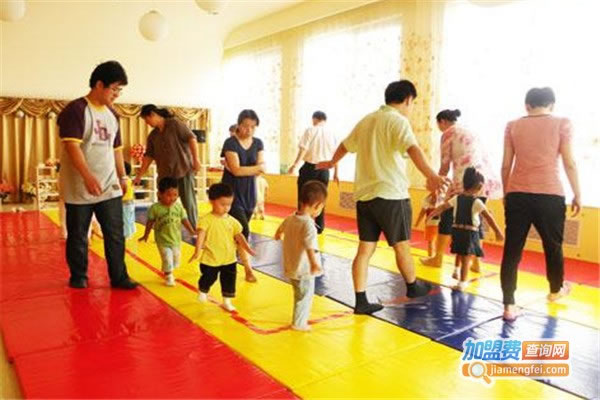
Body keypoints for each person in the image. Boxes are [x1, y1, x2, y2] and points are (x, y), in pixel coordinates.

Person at [317, 80, 449, 314]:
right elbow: (413, 148)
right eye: (412, 103)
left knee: (365, 250)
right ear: (407, 99)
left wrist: (332, 162)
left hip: (365, 197)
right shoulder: (398, 121)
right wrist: (431, 175)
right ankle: (412, 286)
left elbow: (345, 145)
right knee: (401, 246)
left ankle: (361, 300)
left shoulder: (367, 120)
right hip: (391, 195)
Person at [500, 87, 581, 321]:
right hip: (550, 195)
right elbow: (569, 163)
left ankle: (508, 305)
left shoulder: (512, 125)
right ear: (552, 104)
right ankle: (555, 290)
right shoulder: (562, 123)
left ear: (527, 105)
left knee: (512, 249)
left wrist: (507, 193)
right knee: (553, 246)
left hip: (517, 194)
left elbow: (505, 165)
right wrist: (577, 194)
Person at [57, 60, 137, 290]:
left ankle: (119, 276)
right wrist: (88, 177)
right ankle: (79, 275)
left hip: (108, 184)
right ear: (99, 85)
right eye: (114, 89)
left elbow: (117, 149)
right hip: (79, 186)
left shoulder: (113, 115)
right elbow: (72, 147)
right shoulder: (76, 110)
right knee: (78, 235)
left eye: (120, 90)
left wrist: (122, 177)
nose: (117, 94)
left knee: (115, 233)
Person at [421, 109, 502, 271]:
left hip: (464, 181)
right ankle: (476, 263)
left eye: (438, 124)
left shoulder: (449, 133)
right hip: (482, 182)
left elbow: (445, 165)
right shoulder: (470, 131)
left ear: (442, 121)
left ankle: (438, 258)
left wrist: (437, 187)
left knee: (446, 218)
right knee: (475, 219)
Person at [428, 167, 504, 291]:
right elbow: (489, 218)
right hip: (469, 233)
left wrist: (433, 213)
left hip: (458, 231)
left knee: (461, 254)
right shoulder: (477, 202)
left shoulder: (457, 198)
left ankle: (458, 273)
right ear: (479, 186)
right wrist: (498, 232)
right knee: (465, 257)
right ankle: (461, 281)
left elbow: (443, 207)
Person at [189, 183, 256, 312]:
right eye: (223, 204)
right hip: (211, 258)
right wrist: (197, 251)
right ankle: (203, 289)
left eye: (229, 205)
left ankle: (227, 301)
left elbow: (239, 236)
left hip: (229, 259)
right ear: (211, 201)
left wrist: (248, 248)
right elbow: (201, 235)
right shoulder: (206, 220)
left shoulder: (232, 221)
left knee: (229, 280)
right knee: (209, 277)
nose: (226, 208)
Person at [134, 104, 200, 229]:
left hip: (183, 169)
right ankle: (164, 228)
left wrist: (196, 159)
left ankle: (194, 229)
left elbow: (191, 138)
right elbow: (148, 157)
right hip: (165, 175)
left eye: (147, 120)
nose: (147, 123)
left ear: (153, 114)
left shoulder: (174, 124)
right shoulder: (153, 136)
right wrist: (139, 175)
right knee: (164, 202)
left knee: (188, 202)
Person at [275, 180, 327, 331]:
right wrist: (314, 264)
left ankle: (298, 318)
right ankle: (299, 323)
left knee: (299, 294)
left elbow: (281, 228)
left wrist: (278, 234)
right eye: (321, 208)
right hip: (304, 269)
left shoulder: (291, 217)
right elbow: (310, 247)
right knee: (305, 297)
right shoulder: (308, 225)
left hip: (291, 266)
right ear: (317, 205)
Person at [221, 109, 265, 282]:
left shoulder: (258, 143)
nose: (249, 130)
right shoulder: (230, 143)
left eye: (253, 127)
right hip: (231, 193)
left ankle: (229, 258)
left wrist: (251, 169)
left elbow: (262, 168)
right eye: (246, 126)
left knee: (237, 232)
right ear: (239, 125)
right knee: (242, 230)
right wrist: (255, 168)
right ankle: (248, 269)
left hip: (249, 193)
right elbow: (236, 170)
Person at [288, 111, 338, 234]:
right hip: (325, 170)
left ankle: (302, 223)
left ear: (314, 119)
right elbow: (336, 155)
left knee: (304, 196)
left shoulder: (310, 130)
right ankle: (319, 226)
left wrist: (295, 165)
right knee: (321, 198)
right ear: (324, 120)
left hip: (310, 168)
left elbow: (303, 149)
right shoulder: (332, 134)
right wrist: (336, 173)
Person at [139, 177, 195, 286]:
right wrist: (146, 235)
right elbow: (150, 222)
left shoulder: (178, 207)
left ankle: (168, 269)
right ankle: (169, 276)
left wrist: (192, 231)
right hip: (162, 240)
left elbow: (184, 220)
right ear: (159, 194)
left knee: (176, 258)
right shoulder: (155, 208)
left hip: (176, 239)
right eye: (169, 195)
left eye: (175, 195)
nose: (172, 198)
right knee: (167, 258)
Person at [414, 192, 440, 257]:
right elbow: (422, 213)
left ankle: (431, 256)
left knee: (431, 241)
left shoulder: (432, 203)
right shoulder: (428, 203)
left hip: (433, 224)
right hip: (434, 224)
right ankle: (432, 256)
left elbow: (421, 213)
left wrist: (417, 223)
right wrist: (417, 223)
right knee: (432, 241)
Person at [122, 161, 136, 239]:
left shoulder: (124, 181)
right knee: (131, 217)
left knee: (125, 219)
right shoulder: (130, 180)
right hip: (131, 201)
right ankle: (132, 230)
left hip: (124, 203)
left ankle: (127, 234)